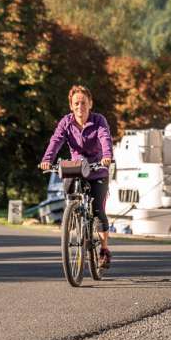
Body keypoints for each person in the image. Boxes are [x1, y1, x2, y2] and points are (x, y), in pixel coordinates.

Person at [39, 85, 114, 267]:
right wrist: (47, 159)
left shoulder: (98, 121)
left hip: (98, 169)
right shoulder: (66, 122)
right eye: (76, 103)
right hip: (77, 168)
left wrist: (107, 156)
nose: (80, 106)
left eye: (83, 103)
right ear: (71, 106)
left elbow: (105, 138)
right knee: (70, 193)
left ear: (90, 104)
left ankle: (104, 250)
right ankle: (74, 214)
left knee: (97, 211)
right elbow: (56, 140)